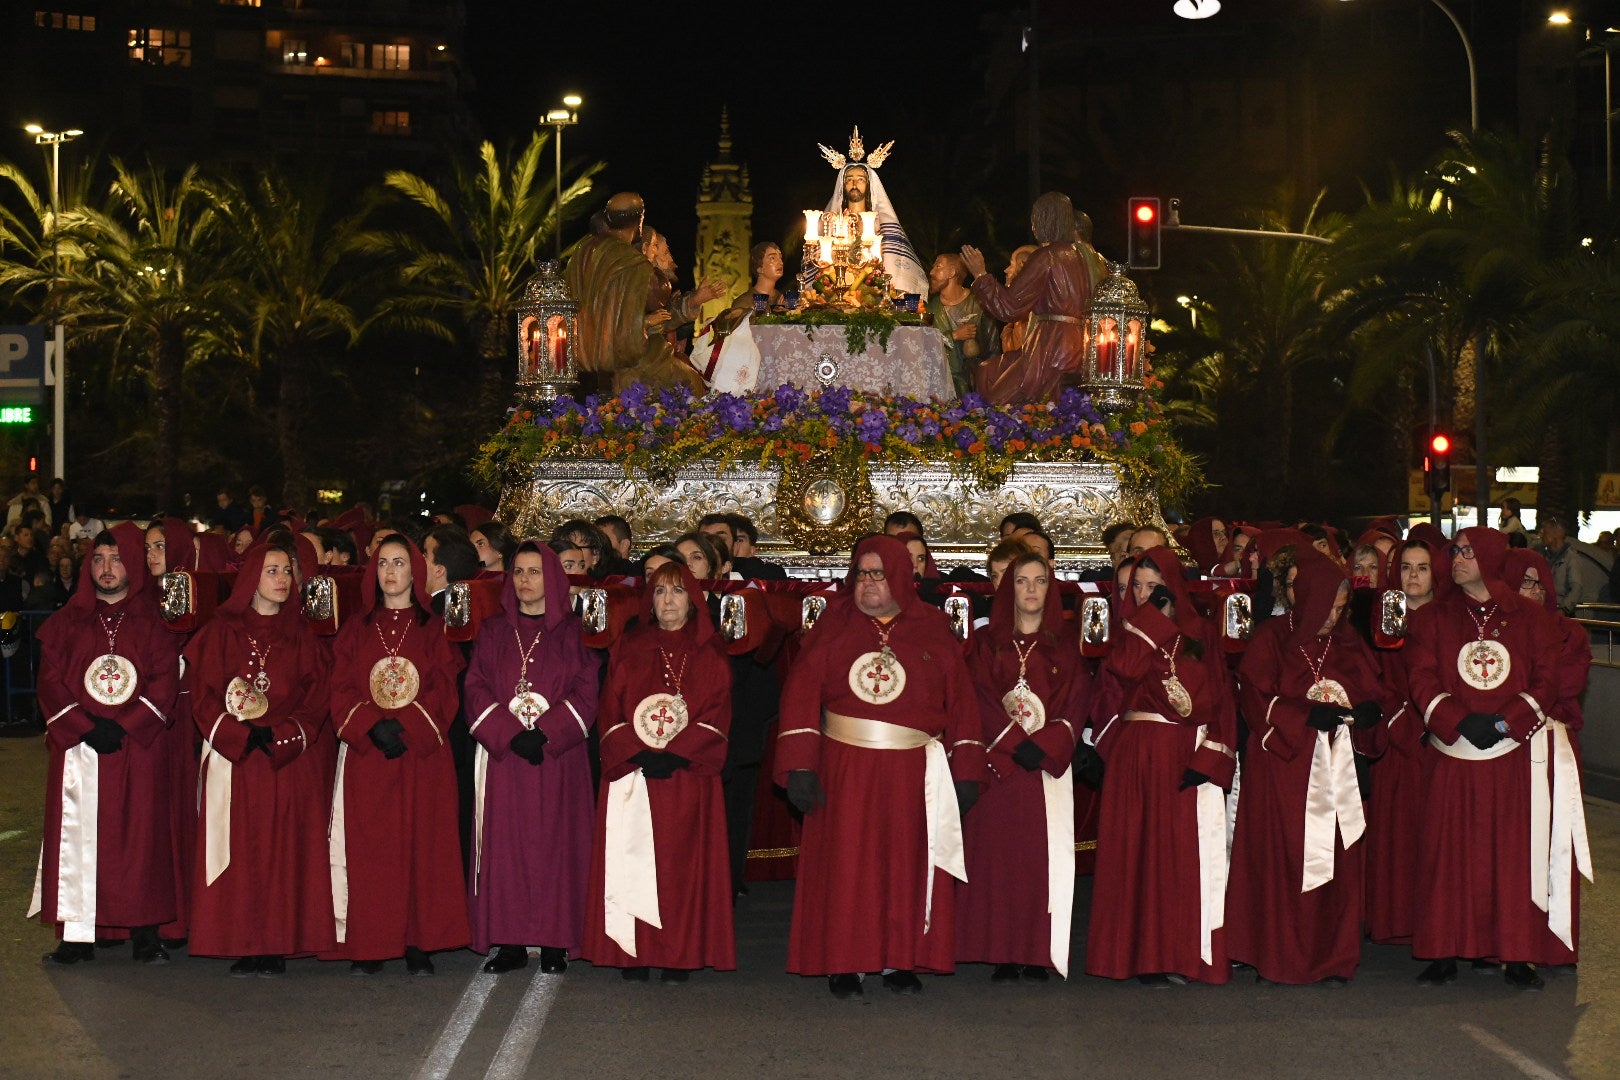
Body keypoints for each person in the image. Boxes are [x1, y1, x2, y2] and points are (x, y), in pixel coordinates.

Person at [775, 535, 985, 998]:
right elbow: (800, 694)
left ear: (901, 578)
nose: (868, 583)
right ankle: (844, 962)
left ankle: (899, 958)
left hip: (913, 773)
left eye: (879, 573)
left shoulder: (933, 627)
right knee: (848, 865)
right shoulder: (832, 624)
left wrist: (967, 768)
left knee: (903, 864)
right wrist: (800, 767)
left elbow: (963, 704)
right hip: (844, 768)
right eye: (861, 573)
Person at [1406, 527, 1588, 990]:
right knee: (1446, 857)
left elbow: (1546, 680)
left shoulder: (1530, 618)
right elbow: (1422, 678)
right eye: (1455, 552)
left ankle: (1517, 955)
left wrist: (1505, 722)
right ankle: (1442, 950)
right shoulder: (1434, 618)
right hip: (1453, 754)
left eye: (1466, 552)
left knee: (1512, 859)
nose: (1457, 560)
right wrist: (1459, 721)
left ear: (1488, 555)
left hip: (1511, 757)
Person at [1229, 555, 1386, 985]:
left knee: (1338, 864)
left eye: (1341, 608)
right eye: (1329, 607)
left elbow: (1373, 693)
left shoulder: (1349, 642)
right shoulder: (1271, 639)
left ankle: (1333, 959)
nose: (1335, 617)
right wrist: (1303, 715)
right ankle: (1277, 957)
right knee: (1283, 866)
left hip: (1339, 773)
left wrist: (1371, 713)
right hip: (1284, 771)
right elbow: (1255, 701)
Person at [1086, 545, 1238, 986]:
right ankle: (1139, 956)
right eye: (1138, 586)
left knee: (1180, 859)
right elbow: (1122, 672)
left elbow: (1223, 701)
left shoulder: (1201, 633)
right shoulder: (1128, 631)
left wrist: (1212, 757)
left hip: (1187, 751)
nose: (1146, 594)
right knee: (1137, 855)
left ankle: (1181, 954)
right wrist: (1151, 620)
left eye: (1156, 586)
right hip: (1138, 755)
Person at [31, 527, 182, 966]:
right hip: (81, 748)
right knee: (78, 839)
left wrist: (127, 725)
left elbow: (164, 681)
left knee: (141, 842)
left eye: (116, 559)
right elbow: (50, 682)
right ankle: (77, 936)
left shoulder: (155, 623)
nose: (107, 568)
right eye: (98, 559)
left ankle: (145, 933)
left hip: (139, 748)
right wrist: (84, 727)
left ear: (131, 564)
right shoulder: (66, 622)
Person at [184, 543, 334, 976]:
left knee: (282, 852)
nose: (282, 579)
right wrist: (236, 736)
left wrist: (282, 736)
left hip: (284, 760)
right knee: (243, 850)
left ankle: (276, 943)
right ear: (252, 577)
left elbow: (316, 700)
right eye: (272, 570)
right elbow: (204, 695)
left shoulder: (303, 634)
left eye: (287, 571)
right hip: (236, 759)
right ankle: (243, 940)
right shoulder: (221, 630)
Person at [582, 560, 735, 979]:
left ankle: (678, 955)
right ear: (650, 599)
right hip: (636, 773)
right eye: (661, 592)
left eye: (678, 591)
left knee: (680, 870)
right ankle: (633, 952)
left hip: (687, 776)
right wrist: (637, 751)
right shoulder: (629, 646)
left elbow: (717, 710)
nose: (668, 601)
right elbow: (609, 707)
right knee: (634, 861)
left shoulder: (709, 649)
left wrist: (678, 752)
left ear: (693, 599)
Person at [326, 536, 469, 975]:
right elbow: (341, 687)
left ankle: (418, 941)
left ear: (416, 572)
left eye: (400, 563)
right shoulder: (356, 627)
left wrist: (407, 728)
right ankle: (372, 941)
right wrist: (372, 726)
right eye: (383, 563)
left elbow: (445, 687)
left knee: (423, 847)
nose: (391, 572)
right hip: (371, 755)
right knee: (373, 849)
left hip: (421, 755)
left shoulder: (434, 628)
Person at [464, 542, 601, 974]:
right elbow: (475, 687)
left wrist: (547, 733)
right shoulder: (492, 631)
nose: (524, 580)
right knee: (508, 847)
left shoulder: (575, 632)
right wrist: (508, 733)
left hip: (558, 758)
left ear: (554, 579)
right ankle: (509, 941)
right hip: (506, 758)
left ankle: (557, 939)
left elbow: (586, 689)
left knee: (556, 845)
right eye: (518, 572)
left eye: (534, 572)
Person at [956, 551, 1088, 982]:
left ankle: (1035, 952)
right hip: (999, 767)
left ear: (1051, 588)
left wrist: (1046, 745)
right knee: (996, 862)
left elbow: (1075, 702)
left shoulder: (1067, 645)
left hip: (1043, 770)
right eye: (1021, 581)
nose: (1031, 589)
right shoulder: (986, 642)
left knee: (1039, 863)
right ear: (1007, 588)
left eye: (1040, 581)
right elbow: (975, 696)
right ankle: (1002, 952)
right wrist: (1013, 744)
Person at [1362, 536, 1446, 946]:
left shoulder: (1448, 618)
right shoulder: (1382, 616)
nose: (1413, 575)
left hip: (1441, 736)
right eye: (1407, 567)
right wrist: (1401, 726)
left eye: (1422, 568)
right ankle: (1398, 920)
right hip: (1399, 738)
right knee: (1398, 834)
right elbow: (1372, 678)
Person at [961, 191, 1093, 405]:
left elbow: (1010, 308)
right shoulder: (1087, 258)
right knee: (988, 371)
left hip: (1050, 349)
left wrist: (980, 275)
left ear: (1044, 220)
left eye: (1034, 220)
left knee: (997, 406)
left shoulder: (1047, 256)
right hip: (1080, 348)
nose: (1033, 226)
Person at [821, 144, 929, 299]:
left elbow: (892, 262)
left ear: (869, 185)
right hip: (838, 293)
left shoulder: (881, 224)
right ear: (843, 186)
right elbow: (822, 260)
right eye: (849, 180)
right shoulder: (834, 223)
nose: (854, 184)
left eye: (860, 179)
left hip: (873, 293)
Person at [927, 254, 994, 396]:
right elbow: (924, 347)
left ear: (952, 272)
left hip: (977, 387)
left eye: (938, 266)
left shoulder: (979, 304)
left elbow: (993, 348)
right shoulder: (931, 310)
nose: (931, 272)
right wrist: (954, 336)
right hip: (943, 387)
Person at [1536, 514, 1611, 613]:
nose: (1540, 535)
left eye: (1544, 532)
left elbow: (1576, 587)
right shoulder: (1543, 555)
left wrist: (1564, 609)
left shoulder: (1571, 557)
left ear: (1554, 535)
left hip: (1559, 611)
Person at [727, 242, 789, 315]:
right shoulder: (744, 302)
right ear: (759, 268)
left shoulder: (782, 299)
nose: (780, 262)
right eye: (772, 258)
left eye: (780, 258)